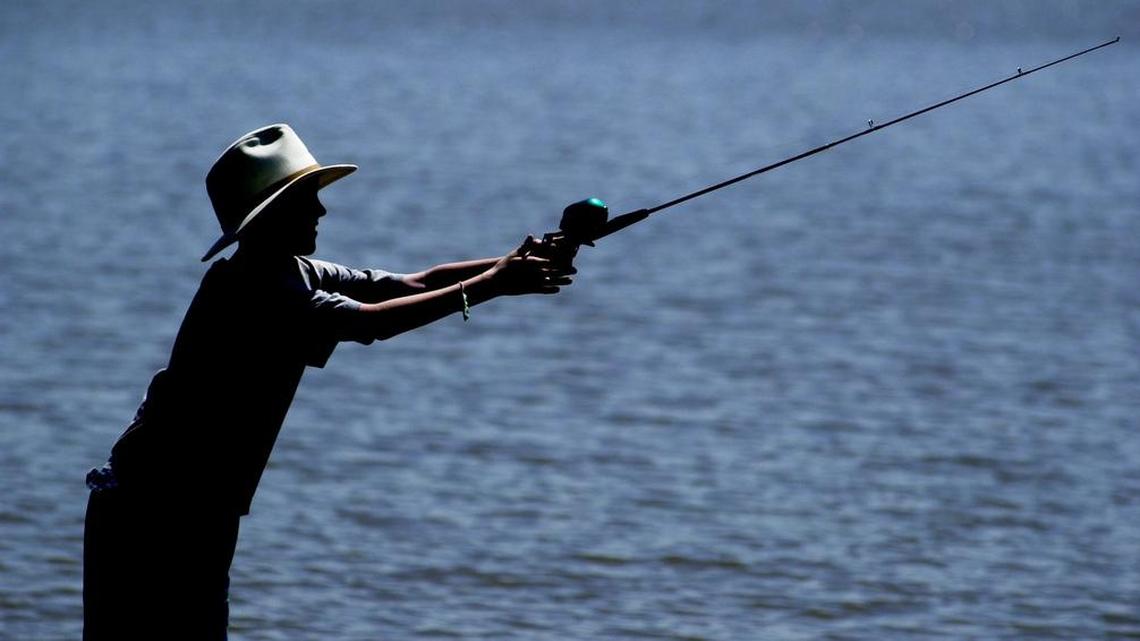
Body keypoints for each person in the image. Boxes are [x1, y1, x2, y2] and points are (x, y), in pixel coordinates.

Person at [82, 123, 578, 639]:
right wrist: (494, 284)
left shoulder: (294, 270)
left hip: (196, 506)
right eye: (307, 201)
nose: (322, 211)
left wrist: (513, 262)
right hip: (153, 511)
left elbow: (413, 283)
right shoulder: (257, 291)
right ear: (269, 216)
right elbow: (372, 323)